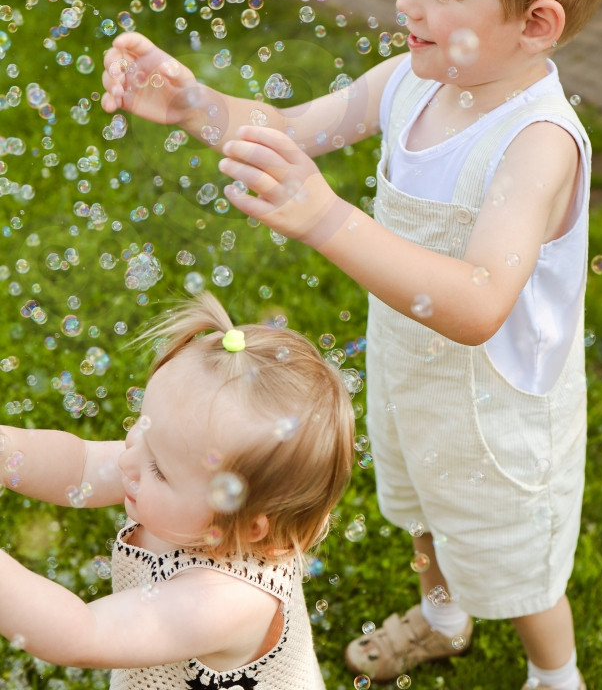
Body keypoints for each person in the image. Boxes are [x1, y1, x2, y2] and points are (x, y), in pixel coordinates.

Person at [100, 0, 602, 686]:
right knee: (422, 512)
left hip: (498, 413)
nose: (404, 0)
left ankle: (554, 673)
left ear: (535, 25)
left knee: (512, 556)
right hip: (411, 371)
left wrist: (326, 218)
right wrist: (192, 104)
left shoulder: (537, 142)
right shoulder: (410, 82)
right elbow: (282, 131)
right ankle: (444, 615)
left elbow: (479, 303)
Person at [0, 292, 354, 689]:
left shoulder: (224, 600)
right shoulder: (167, 477)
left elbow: (82, 633)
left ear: (248, 525)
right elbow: (80, 463)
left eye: (159, 468)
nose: (128, 457)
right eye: (142, 426)